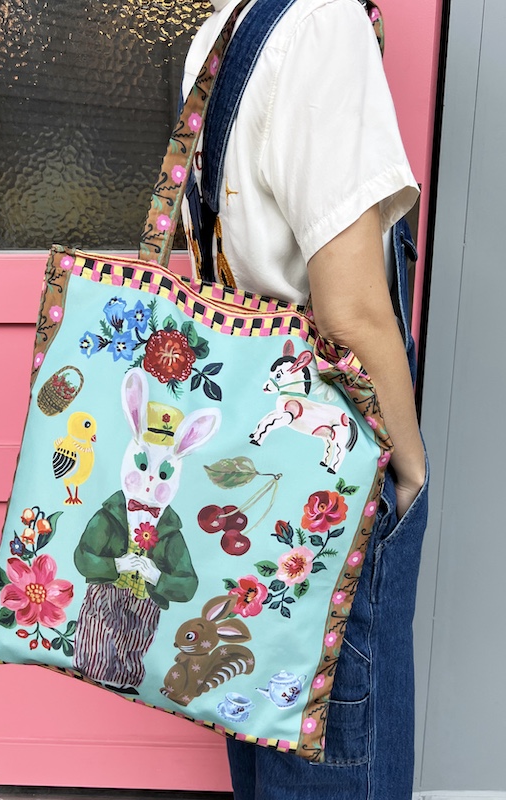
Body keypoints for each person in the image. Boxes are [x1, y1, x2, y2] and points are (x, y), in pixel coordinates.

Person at [179, 0, 429, 798]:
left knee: (269, 735)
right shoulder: (324, 26)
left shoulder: (221, 30)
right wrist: (412, 470)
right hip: (330, 464)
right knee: (341, 754)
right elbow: (350, 312)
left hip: (253, 454)